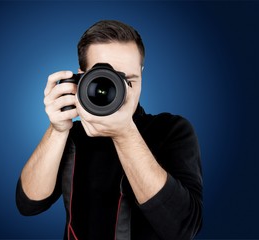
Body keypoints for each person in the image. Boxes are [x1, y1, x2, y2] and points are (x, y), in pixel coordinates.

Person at [16, 20, 203, 240]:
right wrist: (57, 130)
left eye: (128, 81)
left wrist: (125, 133)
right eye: (107, 80)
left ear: (142, 75)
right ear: (81, 77)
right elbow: (29, 204)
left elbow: (183, 229)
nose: (118, 93)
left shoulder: (171, 130)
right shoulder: (72, 135)